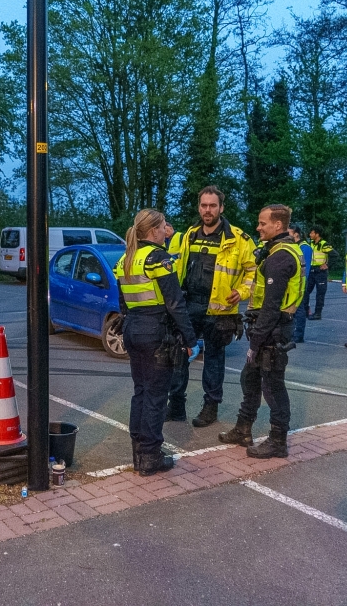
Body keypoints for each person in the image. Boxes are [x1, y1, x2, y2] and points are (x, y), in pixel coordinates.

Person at [116, 209, 199, 475]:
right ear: (153, 231)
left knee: (141, 392)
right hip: (156, 332)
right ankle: (151, 456)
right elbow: (175, 303)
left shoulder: (126, 259)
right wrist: (190, 338)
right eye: (164, 227)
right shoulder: (158, 259)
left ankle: (138, 454)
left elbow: (123, 304)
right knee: (156, 396)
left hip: (133, 330)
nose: (166, 231)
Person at [218, 204, 304, 459]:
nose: (258, 227)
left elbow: (272, 305)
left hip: (272, 330)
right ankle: (243, 429)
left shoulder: (281, 256)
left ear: (278, 225)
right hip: (267, 327)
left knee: (273, 387)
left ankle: (278, 440)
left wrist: (255, 342)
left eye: (262, 223)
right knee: (250, 378)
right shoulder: (276, 250)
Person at [169, 185, 257, 426]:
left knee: (214, 361)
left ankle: (210, 409)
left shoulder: (239, 239)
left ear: (221, 208)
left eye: (212, 206)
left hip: (220, 309)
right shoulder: (189, 235)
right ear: (199, 207)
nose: (207, 210)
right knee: (178, 355)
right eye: (204, 205)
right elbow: (179, 267)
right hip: (189, 305)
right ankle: (176, 406)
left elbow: (254, 271)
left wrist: (242, 291)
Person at [289, 226, 314, 343]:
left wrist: (302, 282)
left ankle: (298, 334)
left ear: (296, 234)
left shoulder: (305, 247)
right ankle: (291, 332)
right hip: (292, 281)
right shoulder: (293, 246)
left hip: (300, 281)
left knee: (299, 308)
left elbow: (306, 268)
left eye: (289, 233)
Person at [305, 225, 335, 320]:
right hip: (311, 271)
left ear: (317, 234)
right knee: (305, 291)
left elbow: (335, 255)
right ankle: (306, 311)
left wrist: (327, 265)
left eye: (312, 233)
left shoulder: (323, 244)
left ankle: (318, 313)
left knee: (320, 294)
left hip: (320, 272)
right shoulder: (311, 244)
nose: (310, 235)